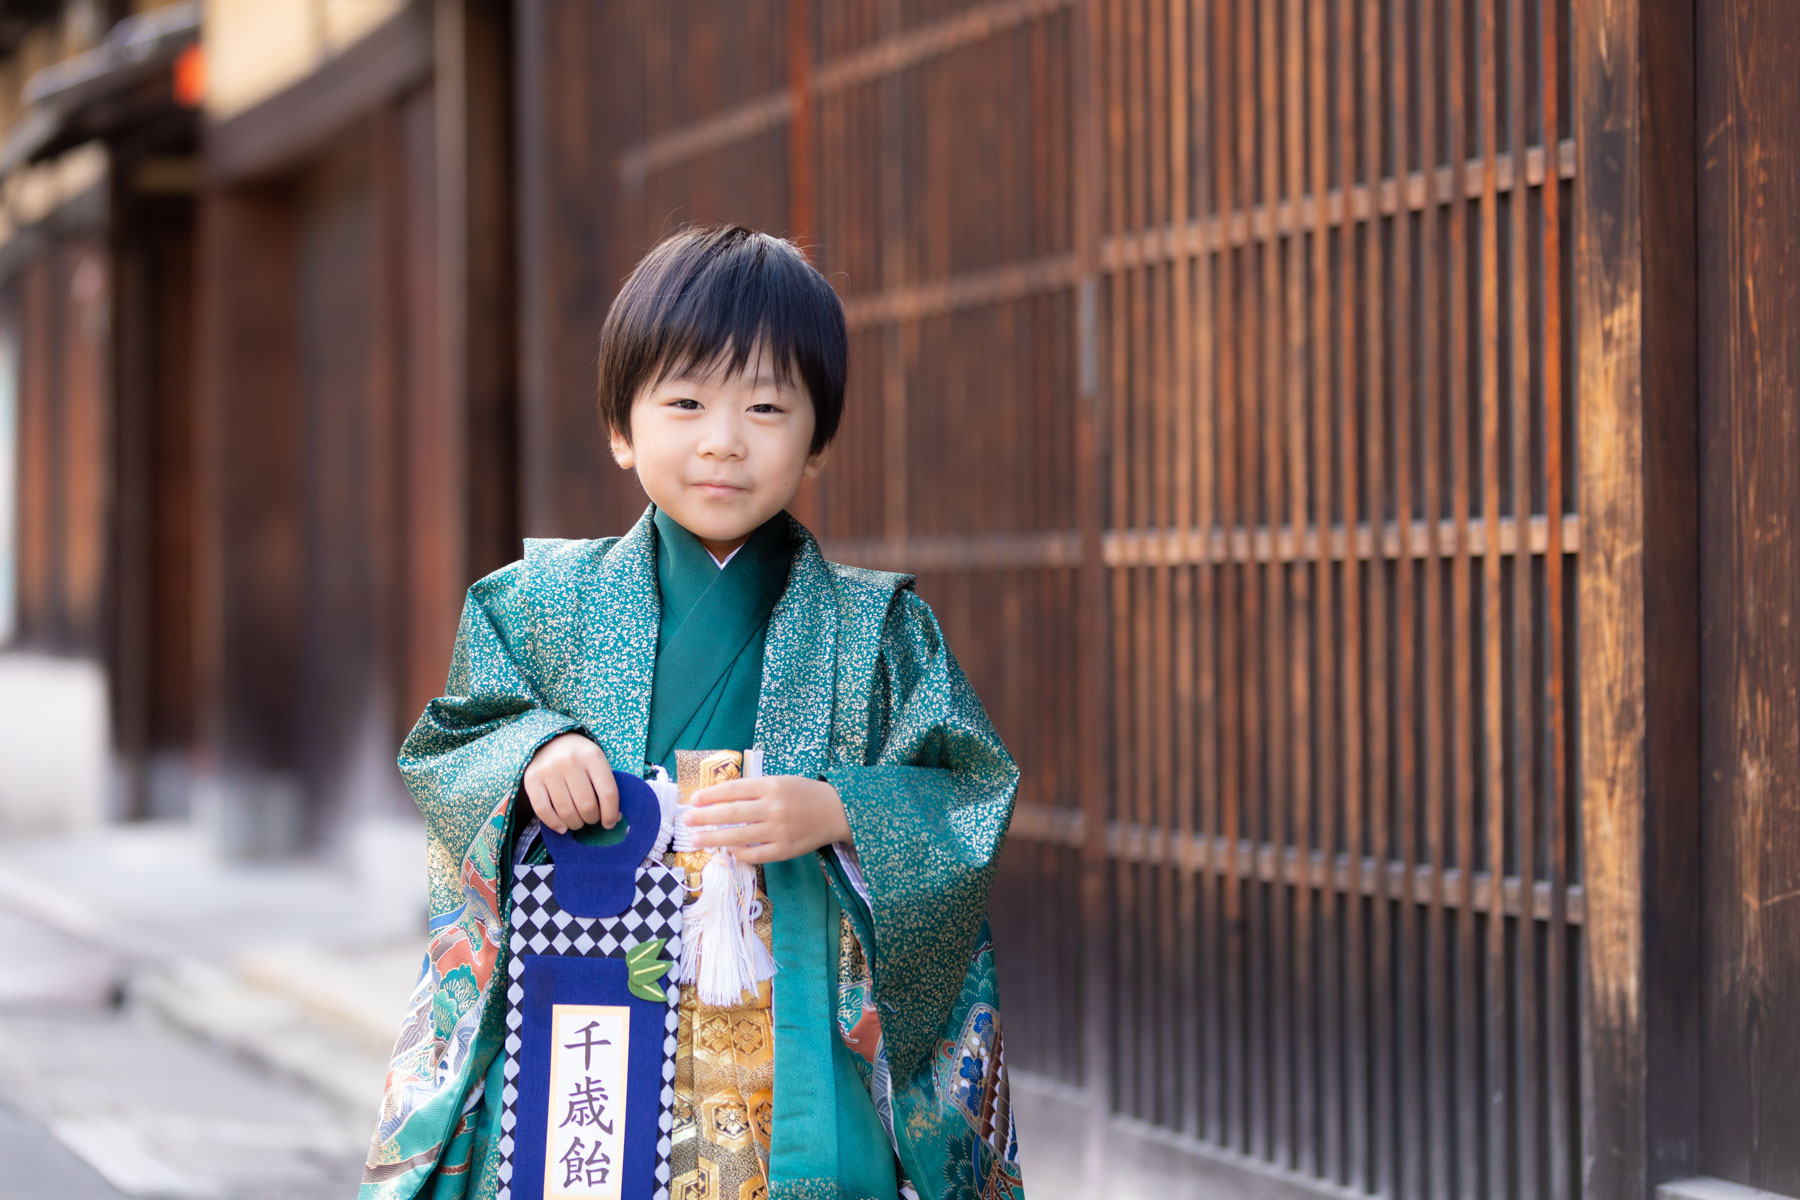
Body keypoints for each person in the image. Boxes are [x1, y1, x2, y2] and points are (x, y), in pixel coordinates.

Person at [360, 223, 1025, 1200]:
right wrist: (535, 752)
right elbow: (454, 741)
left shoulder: (877, 627)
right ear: (623, 430)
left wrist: (842, 811)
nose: (724, 440)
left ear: (818, 437)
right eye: (685, 402)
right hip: (587, 1000)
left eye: (765, 405)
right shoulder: (534, 606)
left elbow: (966, 786)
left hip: (795, 1018)